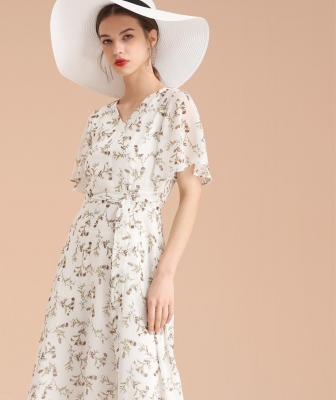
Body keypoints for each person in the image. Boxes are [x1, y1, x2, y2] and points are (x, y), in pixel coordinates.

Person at [27, 0, 212, 399]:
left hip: (137, 253)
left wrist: (165, 275)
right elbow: (92, 200)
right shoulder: (98, 120)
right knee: (74, 362)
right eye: (107, 40)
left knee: (136, 364)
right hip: (83, 258)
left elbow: (191, 192)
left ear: (152, 37)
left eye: (127, 36)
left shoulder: (174, 106)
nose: (117, 50)